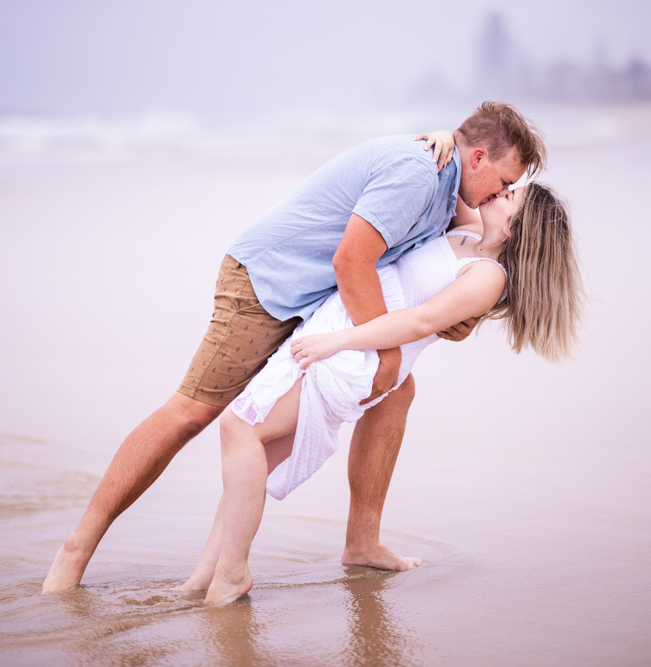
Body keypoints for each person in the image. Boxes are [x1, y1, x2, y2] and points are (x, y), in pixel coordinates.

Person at [41, 102, 547, 594]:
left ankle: (361, 542)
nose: (501, 193)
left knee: (397, 392)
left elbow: (468, 256)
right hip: (269, 286)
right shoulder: (419, 173)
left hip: (325, 301)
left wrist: (452, 323)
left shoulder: (452, 185)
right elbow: (351, 261)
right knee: (192, 414)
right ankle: (76, 550)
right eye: (504, 181)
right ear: (478, 158)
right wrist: (386, 354)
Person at [185, 181, 585, 605]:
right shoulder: (467, 235)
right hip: (340, 334)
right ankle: (203, 577)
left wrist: (339, 341)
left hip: (354, 359)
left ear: (515, 229)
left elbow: (418, 322)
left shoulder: (488, 276)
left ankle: (232, 574)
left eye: (510, 198)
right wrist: (440, 136)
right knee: (254, 461)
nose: (501, 193)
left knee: (240, 426)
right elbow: (459, 179)